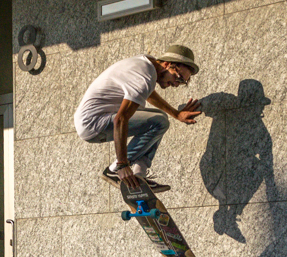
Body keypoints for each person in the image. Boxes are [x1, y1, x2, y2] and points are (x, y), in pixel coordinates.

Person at [73, 45, 203, 192]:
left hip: (92, 121)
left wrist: (176, 114)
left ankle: (139, 175)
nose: (175, 85)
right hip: (93, 123)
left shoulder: (146, 65)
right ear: (167, 64)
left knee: (160, 118)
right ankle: (114, 171)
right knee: (159, 122)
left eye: (182, 83)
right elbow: (121, 120)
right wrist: (122, 164)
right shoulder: (145, 76)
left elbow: (147, 93)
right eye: (177, 78)